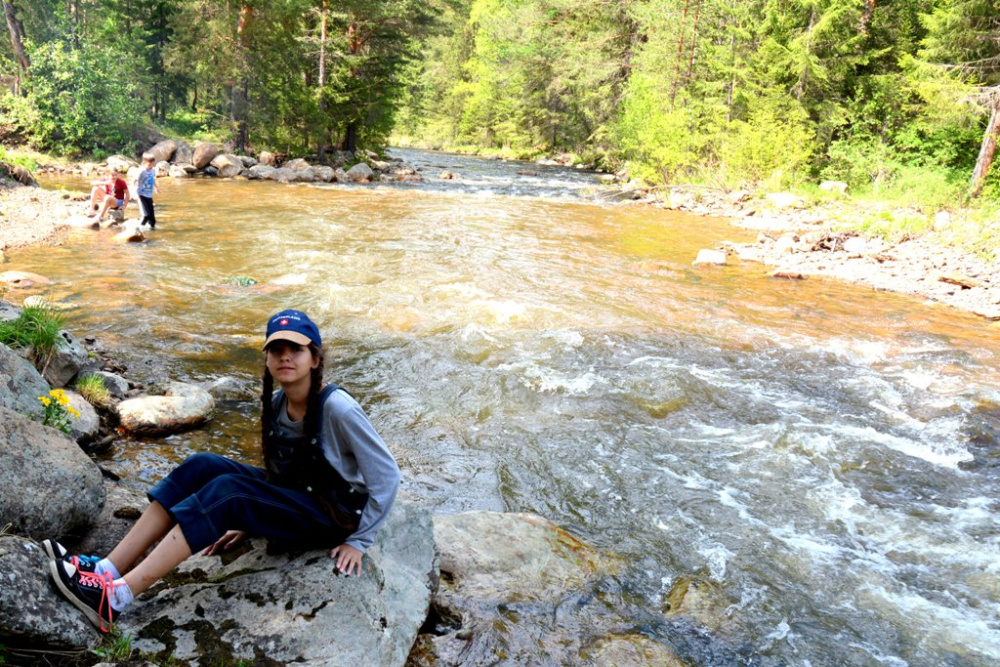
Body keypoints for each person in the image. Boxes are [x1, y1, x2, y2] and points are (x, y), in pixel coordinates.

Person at [46, 309, 401, 632]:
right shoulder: (277, 402)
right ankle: (107, 569)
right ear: (267, 358)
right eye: (276, 349)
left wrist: (358, 541)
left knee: (229, 492)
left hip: (334, 516)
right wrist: (253, 519)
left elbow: (387, 477)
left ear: (315, 359)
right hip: (299, 498)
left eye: (296, 349)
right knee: (202, 466)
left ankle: (115, 598)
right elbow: (282, 474)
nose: (285, 357)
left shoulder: (339, 408)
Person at [132, 153, 160, 229]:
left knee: (152, 221)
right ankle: (137, 229)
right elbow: (134, 181)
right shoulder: (141, 171)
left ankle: (151, 233)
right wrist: (135, 193)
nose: (151, 166)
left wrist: (156, 187)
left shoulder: (153, 170)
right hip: (141, 195)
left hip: (149, 196)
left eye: (152, 164)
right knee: (145, 216)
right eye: (149, 165)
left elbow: (152, 178)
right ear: (144, 163)